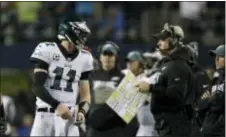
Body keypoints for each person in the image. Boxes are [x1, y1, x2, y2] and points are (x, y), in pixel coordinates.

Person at [30, 21, 94, 136]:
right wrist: (57, 106)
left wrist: (82, 112)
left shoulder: (85, 58)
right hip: (45, 115)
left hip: (69, 117)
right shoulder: (47, 49)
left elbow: (86, 95)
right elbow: (37, 87)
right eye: (82, 36)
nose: (84, 40)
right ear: (71, 34)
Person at [136, 23, 196, 136]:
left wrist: (150, 88)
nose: (158, 43)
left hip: (175, 127)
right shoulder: (168, 63)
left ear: (174, 40)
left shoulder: (178, 65)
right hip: (167, 125)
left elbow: (177, 95)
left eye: (163, 39)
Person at [87, 41, 138, 137]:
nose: (107, 57)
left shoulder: (125, 79)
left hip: (116, 129)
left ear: (115, 57)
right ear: (100, 57)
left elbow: (131, 113)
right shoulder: (91, 77)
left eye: (110, 54)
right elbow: (84, 101)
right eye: (105, 54)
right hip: (94, 129)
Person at [123, 50, 158, 136]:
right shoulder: (124, 75)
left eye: (132, 61)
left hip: (151, 125)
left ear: (140, 63)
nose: (129, 64)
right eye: (128, 61)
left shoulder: (149, 78)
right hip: (135, 124)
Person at [199, 44, 225, 137]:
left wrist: (210, 99)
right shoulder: (216, 80)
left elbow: (219, 103)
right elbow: (200, 105)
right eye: (216, 56)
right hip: (209, 130)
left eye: (221, 56)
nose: (216, 60)